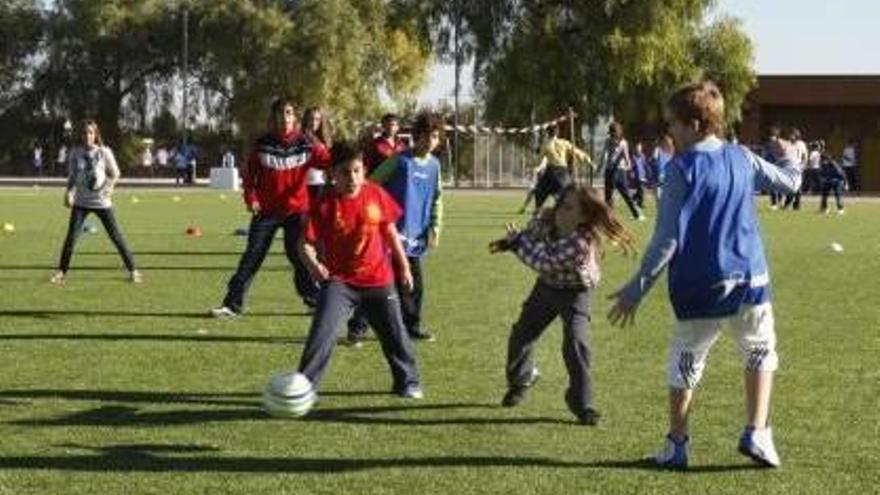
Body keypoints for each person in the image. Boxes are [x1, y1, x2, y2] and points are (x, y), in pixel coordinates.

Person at [607, 81, 801, 470]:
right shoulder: (742, 157)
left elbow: (666, 240)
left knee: (685, 359)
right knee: (760, 350)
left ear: (695, 124)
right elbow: (792, 182)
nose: (670, 132)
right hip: (750, 277)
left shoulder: (680, 169)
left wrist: (637, 287)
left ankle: (677, 445)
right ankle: (757, 432)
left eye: (674, 124)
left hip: (700, 284)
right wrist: (794, 158)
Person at [490, 184, 635, 425]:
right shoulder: (546, 220)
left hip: (576, 293)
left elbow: (545, 262)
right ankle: (521, 381)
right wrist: (513, 241)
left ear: (584, 216)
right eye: (560, 205)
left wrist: (518, 246)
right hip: (546, 287)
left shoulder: (579, 243)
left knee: (576, 344)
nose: (560, 212)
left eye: (568, 208)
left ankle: (583, 405)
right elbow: (531, 236)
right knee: (521, 335)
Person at [296, 140, 423, 399]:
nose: (352, 178)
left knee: (395, 334)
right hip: (340, 282)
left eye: (357, 170)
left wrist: (404, 268)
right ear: (332, 174)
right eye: (345, 172)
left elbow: (390, 232)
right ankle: (305, 388)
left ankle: (408, 382)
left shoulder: (375, 194)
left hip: (378, 280)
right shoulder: (324, 205)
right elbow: (304, 245)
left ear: (363, 170)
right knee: (323, 331)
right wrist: (314, 265)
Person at [210, 95, 329, 318]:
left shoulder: (307, 143)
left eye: (289, 113)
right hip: (266, 212)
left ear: (295, 117)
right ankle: (232, 305)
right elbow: (249, 176)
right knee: (252, 256)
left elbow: (330, 162)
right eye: (280, 113)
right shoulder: (262, 144)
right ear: (273, 117)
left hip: (297, 211)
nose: (285, 118)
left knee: (300, 256)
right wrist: (251, 198)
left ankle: (315, 300)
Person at [347, 112, 444, 345]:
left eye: (436, 137)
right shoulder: (400, 161)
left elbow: (438, 198)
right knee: (378, 284)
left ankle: (411, 327)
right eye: (427, 136)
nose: (431, 141)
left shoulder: (434, 166)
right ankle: (357, 328)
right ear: (416, 137)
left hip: (414, 236)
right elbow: (371, 184)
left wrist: (436, 226)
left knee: (414, 285)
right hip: (389, 235)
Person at [50, 120, 141, 285]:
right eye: (84, 133)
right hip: (81, 203)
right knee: (71, 238)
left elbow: (115, 173)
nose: (87, 136)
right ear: (81, 135)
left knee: (116, 237)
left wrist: (110, 187)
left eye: (90, 133)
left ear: (95, 135)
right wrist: (68, 194)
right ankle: (61, 273)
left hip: (102, 202)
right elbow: (72, 178)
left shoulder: (104, 152)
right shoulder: (75, 153)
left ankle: (133, 271)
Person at [532, 125, 592, 210]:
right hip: (563, 172)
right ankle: (575, 209)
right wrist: (587, 159)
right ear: (557, 133)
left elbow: (539, 161)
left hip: (551, 172)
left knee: (539, 192)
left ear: (548, 133)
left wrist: (535, 166)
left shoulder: (545, 145)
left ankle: (537, 212)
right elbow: (577, 152)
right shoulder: (564, 143)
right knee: (568, 193)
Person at [601, 122, 643, 220]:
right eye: (611, 134)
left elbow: (626, 157)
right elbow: (605, 155)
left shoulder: (624, 143)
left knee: (626, 194)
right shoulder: (608, 141)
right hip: (610, 170)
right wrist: (600, 167)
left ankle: (637, 214)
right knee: (608, 195)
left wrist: (629, 168)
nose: (612, 136)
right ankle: (609, 216)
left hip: (620, 171)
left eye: (613, 134)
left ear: (618, 133)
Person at [301, 107, 333, 205]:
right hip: (307, 183)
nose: (314, 122)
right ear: (305, 120)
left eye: (317, 119)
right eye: (311, 119)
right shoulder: (300, 138)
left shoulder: (323, 139)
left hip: (322, 182)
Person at [782, 128, 807, 210]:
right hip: (789, 168)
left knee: (797, 187)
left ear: (796, 135)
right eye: (790, 135)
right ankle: (788, 204)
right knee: (790, 186)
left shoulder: (801, 144)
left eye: (792, 135)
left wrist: (802, 166)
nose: (790, 136)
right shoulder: (787, 144)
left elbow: (805, 156)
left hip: (798, 168)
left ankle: (796, 205)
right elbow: (786, 156)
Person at [819, 144, 847, 215]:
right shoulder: (823, 165)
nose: (822, 161)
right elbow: (822, 174)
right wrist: (823, 179)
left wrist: (846, 183)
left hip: (837, 182)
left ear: (827, 160)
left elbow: (842, 174)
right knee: (824, 195)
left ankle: (840, 209)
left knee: (838, 195)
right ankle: (824, 208)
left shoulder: (834, 165)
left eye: (823, 160)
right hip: (828, 181)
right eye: (822, 160)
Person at [631, 141, 649, 208]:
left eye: (639, 147)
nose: (638, 149)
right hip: (637, 176)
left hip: (642, 175)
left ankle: (634, 198)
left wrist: (647, 174)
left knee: (640, 190)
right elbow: (632, 166)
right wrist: (631, 173)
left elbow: (645, 165)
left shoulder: (643, 156)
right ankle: (640, 203)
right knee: (641, 189)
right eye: (637, 148)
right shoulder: (633, 157)